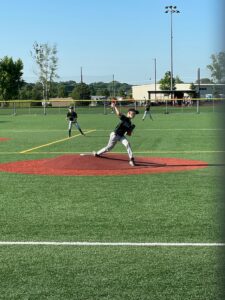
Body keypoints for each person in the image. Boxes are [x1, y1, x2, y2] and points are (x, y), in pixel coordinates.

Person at [93, 102, 139, 166]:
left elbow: (128, 134)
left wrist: (130, 130)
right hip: (115, 135)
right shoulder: (125, 118)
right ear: (128, 113)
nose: (134, 115)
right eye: (133, 113)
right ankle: (97, 153)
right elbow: (118, 113)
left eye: (135, 114)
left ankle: (131, 159)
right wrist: (115, 106)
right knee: (109, 148)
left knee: (127, 144)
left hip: (121, 136)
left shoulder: (130, 122)